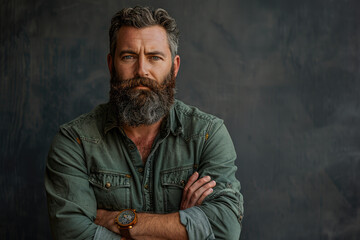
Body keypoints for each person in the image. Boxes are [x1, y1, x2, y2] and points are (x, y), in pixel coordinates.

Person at [45, 6, 244, 240]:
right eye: (129, 56)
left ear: (174, 66)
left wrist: (120, 221)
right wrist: (186, 225)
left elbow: (225, 228)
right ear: (111, 65)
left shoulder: (207, 135)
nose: (142, 70)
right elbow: (72, 234)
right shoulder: (75, 141)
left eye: (154, 57)